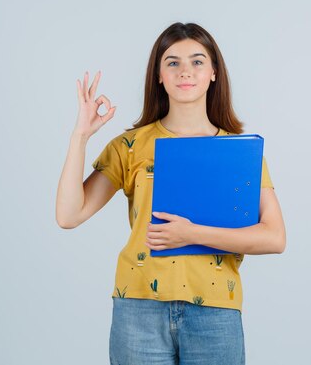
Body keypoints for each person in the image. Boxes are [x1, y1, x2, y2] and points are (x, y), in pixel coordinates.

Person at [56, 22, 286, 365]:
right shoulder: (130, 146)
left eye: (196, 61)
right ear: (159, 76)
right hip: (138, 310)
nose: (185, 72)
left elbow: (274, 237)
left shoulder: (239, 153)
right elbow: (69, 215)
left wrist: (190, 234)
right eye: (172, 62)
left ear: (213, 73)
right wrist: (80, 136)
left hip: (215, 312)